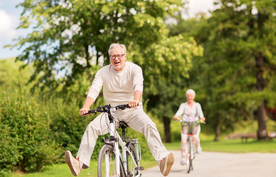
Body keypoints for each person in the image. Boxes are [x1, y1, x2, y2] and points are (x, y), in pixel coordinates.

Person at [64, 43, 174, 176]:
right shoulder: (103, 72)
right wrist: (86, 107)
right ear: (109, 58)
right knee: (92, 127)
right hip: (111, 112)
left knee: (149, 125)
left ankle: (162, 161)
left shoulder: (134, 69)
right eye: (112, 56)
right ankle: (79, 163)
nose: (116, 59)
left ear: (125, 56)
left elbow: (138, 86)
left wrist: (135, 100)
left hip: (133, 111)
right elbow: (94, 90)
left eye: (119, 56)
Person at [172, 89, 205, 165]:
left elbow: (200, 113)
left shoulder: (197, 105)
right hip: (186, 125)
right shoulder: (183, 105)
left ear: (193, 97)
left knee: (195, 137)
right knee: (183, 140)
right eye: (188, 96)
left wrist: (202, 118)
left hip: (195, 125)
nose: (190, 98)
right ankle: (183, 158)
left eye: (191, 96)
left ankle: (198, 147)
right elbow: (179, 112)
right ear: (186, 97)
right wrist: (176, 116)